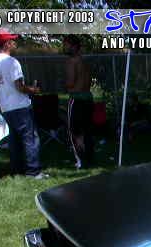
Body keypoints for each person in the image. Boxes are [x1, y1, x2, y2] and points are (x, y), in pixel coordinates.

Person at [0, 30, 46, 179]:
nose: (15, 43)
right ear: (6, 44)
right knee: (30, 138)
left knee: (14, 140)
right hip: (20, 106)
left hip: (5, 107)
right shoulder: (12, 62)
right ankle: (33, 171)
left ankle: (16, 169)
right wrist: (33, 90)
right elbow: (19, 87)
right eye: (12, 40)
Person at [63, 34, 93, 169]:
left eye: (66, 45)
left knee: (74, 131)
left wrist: (65, 84)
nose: (64, 47)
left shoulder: (72, 61)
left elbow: (70, 83)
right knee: (86, 130)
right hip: (88, 98)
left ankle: (80, 160)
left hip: (76, 99)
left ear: (74, 46)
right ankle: (89, 158)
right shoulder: (84, 61)